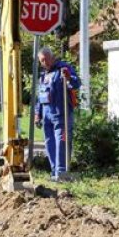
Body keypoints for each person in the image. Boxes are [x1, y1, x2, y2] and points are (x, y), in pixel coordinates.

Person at [34, 47, 81, 182]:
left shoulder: (63, 68)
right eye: (42, 60)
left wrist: (68, 77)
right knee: (49, 143)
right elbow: (40, 97)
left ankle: (62, 172)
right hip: (47, 116)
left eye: (46, 59)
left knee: (62, 142)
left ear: (52, 57)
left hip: (61, 114)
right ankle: (55, 172)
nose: (45, 62)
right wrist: (38, 114)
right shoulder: (43, 76)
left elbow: (76, 83)